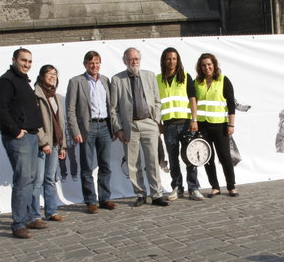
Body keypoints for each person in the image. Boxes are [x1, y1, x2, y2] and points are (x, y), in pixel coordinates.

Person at [0, 48, 45, 238]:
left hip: (31, 136)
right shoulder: (7, 81)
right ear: (14, 60)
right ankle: (18, 224)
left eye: (30, 61)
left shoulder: (23, 81)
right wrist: (15, 131)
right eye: (24, 60)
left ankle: (30, 217)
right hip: (19, 138)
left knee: (30, 179)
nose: (27, 64)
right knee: (22, 180)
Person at [110, 47, 169, 207]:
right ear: (124, 61)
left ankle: (157, 195)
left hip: (149, 123)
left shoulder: (150, 76)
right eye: (130, 59)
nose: (134, 62)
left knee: (152, 160)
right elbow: (113, 108)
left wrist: (155, 120)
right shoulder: (117, 80)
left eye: (136, 59)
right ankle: (140, 194)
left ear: (140, 60)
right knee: (133, 163)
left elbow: (157, 101)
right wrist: (118, 128)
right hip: (130, 126)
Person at [66, 51, 117, 214]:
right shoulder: (76, 82)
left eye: (97, 62)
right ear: (85, 64)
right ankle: (90, 201)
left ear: (100, 63)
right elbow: (70, 110)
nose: (94, 65)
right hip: (87, 128)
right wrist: (75, 130)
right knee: (87, 166)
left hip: (104, 127)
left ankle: (104, 198)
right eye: (91, 63)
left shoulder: (105, 81)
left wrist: (114, 127)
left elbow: (112, 107)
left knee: (105, 165)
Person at [157, 47, 204, 201]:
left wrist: (194, 120)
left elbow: (192, 100)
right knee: (173, 159)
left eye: (174, 59)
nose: (172, 62)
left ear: (178, 60)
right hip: (169, 126)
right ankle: (177, 188)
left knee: (190, 158)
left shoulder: (185, 77)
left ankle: (193, 188)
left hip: (186, 124)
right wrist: (158, 123)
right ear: (164, 60)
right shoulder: (158, 79)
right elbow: (155, 104)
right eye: (169, 59)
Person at [194, 53, 238, 197]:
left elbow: (231, 104)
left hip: (220, 125)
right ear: (200, 67)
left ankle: (231, 186)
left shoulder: (223, 80)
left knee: (225, 156)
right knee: (207, 158)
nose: (207, 67)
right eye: (203, 65)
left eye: (209, 64)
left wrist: (231, 125)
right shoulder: (197, 82)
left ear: (214, 65)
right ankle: (215, 187)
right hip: (202, 126)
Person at [32, 65, 67, 222]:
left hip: (54, 143)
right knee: (37, 181)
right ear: (41, 76)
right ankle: (34, 215)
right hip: (42, 144)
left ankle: (51, 211)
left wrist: (62, 145)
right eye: (49, 73)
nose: (52, 76)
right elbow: (35, 122)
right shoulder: (35, 96)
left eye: (55, 74)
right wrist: (43, 142)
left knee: (50, 179)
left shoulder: (56, 97)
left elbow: (61, 123)